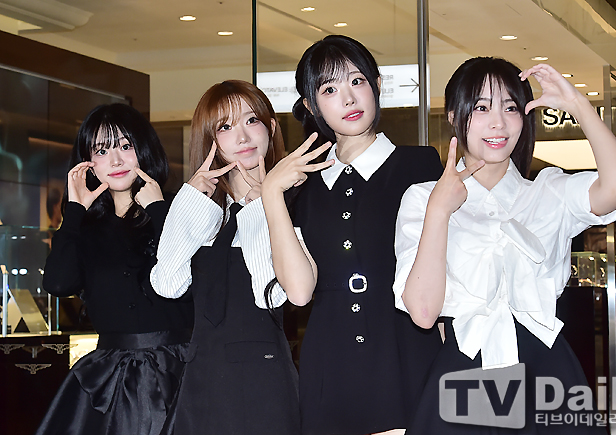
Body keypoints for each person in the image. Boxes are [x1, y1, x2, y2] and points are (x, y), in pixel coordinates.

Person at [393, 58, 616, 433]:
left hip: (547, 371)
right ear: (454, 115)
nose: (498, 123)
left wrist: (578, 105)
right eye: (481, 107)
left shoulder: (549, 192)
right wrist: (439, 211)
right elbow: (424, 313)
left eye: (510, 108)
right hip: (466, 367)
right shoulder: (424, 198)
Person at [261, 35, 443, 435]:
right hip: (330, 365)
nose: (348, 98)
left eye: (357, 81)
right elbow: (299, 292)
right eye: (329, 89)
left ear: (376, 85)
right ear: (311, 106)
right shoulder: (302, 185)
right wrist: (271, 193)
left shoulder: (420, 165)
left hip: (404, 352)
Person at [150, 80, 300, 435]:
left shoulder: (295, 202)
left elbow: (273, 294)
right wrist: (190, 200)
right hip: (202, 377)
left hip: (266, 380)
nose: (242, 137)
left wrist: (262, 204)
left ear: (271, 128)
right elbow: (168, 284)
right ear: (211, 140)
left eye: (251, 120)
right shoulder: (204, 210)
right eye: (225, 127)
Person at [36, 103, 194, 435]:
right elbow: (58, 283)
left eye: (125, 145)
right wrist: (75, 210)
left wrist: (159, 210)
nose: (116, 160)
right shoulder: (85, 228)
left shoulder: (179, 209)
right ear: (88, 162)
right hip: (111, 380)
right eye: (102, 150)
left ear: (144, 149)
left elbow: (196, 282)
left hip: (180, 371)